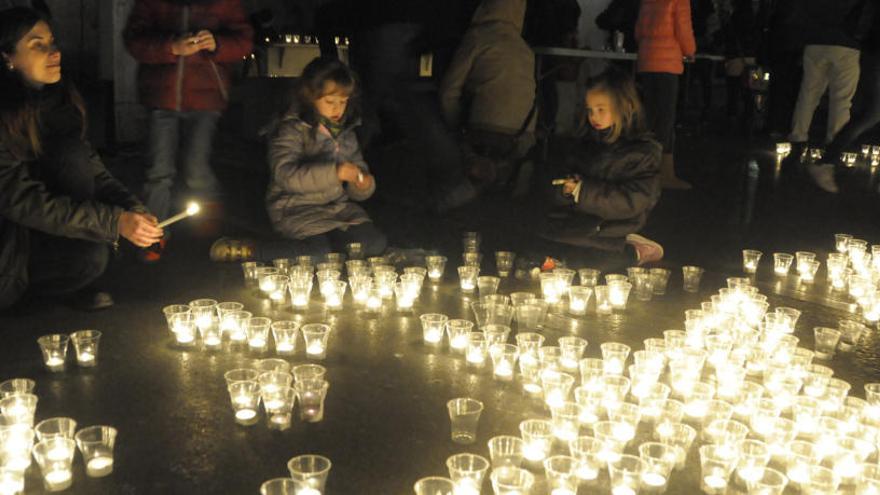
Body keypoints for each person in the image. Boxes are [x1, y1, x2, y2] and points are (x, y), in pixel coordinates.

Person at [0, 7, 163, 311]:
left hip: (40, 233)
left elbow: (93, 171)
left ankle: (55, 287)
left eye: (52, 41)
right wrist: (113, 222)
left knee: (92, 256)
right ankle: (21, 295)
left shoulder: (59, 103)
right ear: (7, 57)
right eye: (38, 45)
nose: (54, 51)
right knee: (98, 243)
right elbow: (19, 199)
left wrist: (132, 210)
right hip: (8, 243)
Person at [209, 57, 386, 262]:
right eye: (330, 101)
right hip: (295, 207)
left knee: (374, 243)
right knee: (317, 253)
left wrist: (362, 184)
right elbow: (286, 174)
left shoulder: (346, 133)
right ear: (311, 97)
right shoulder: (292, 129)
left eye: (343, 101)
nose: (338, 108)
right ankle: (253, 250)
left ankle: (334, 253)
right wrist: (334, 173)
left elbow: (357, 175)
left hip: (338, 209)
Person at [123, 0, 253, 261]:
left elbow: (245, 41)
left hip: (207, 98)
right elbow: (134, 40)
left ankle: (209, 229)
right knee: (159, 170)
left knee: (197, 166)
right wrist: (170, 47)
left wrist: (217, 43)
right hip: (162, 97)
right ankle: (154, 235)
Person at [541, 68, 664, 267]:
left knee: (591, 264)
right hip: (577, 223)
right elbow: (560, 179)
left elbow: (633, 200)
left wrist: (584, 192)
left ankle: (635, 251)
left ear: (625, 107)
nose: (593, 116)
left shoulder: (641, 153)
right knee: (541, 251)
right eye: (589, 110)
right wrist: (564, 191)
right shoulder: (585, 144)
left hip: (611, 227)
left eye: (601, 109)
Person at [439, 0, 536, 197]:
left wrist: (454, 125)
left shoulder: (478, 38)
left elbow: (448, 91)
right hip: (522, 134)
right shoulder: (525, 48)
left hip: (482, 131)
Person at [807, 0, 878, 193]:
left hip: (871, 53)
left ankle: (826, 162)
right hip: (875, 54)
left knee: (871, 114)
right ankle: (826, 162)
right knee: (872, 114)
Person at [787, 0, 869, 148]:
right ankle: (835, 141)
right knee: (841, 99)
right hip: (847, 44)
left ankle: (798, 136)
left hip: (815, 42)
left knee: (808, 94)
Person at [635, 0, 696, 190]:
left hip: (647, 59)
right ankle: (665, 174)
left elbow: (638, 31)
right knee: (666, 119)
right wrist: (690, 51)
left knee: (650, 117)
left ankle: (642, 169)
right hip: (667, 63)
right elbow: (683, 28)